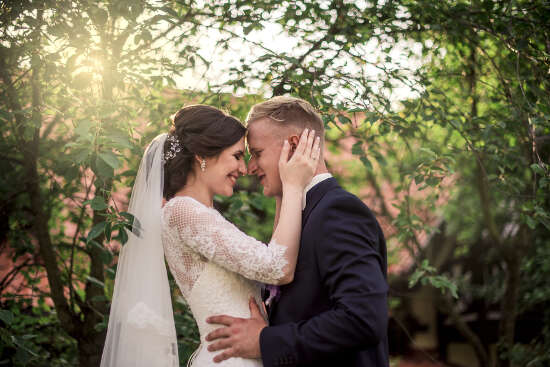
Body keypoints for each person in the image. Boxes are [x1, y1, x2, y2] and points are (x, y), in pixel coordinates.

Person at [100, 105, 320, 367]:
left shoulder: (202, 214)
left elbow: (272, 258)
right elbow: (277, 267)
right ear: (202, 155)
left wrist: (283, 190)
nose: (243, 168)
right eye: (237, 155)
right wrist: (293, 185)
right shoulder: (183, 211)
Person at [205, 96, 390, 367]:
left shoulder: (338, 211)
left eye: (256, 153)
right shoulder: (300, 214)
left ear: (293, 145)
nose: (250, 168)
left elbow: (363, 318)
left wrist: (264, 341)